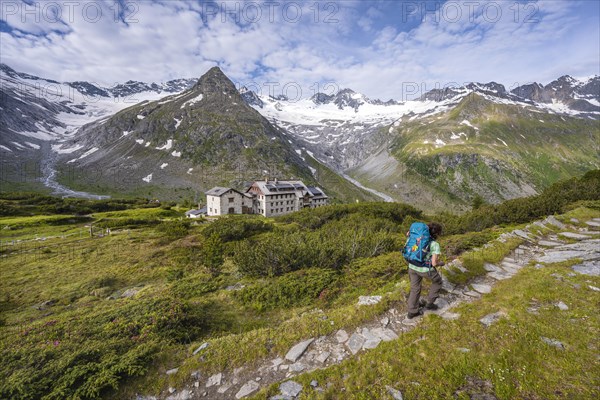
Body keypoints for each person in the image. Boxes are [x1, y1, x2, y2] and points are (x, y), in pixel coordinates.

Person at [407, 222, 444, 319]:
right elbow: (434, 263)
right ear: (436, 234)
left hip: (412, 266)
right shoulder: (434, 244)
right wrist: (441, 263)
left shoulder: (415, 238)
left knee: (415, 288)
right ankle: (430, 304)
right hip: (425, 269)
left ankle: (412, 311)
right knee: (438, 282)